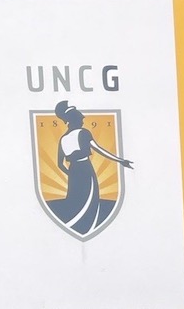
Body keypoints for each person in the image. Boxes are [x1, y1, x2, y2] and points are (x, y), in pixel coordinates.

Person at [49, 101, 133, 237]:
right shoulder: (83, 133)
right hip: (85, 169)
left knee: (76, 200)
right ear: (74, 119)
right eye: (81, 118)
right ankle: (87, 226)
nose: (83, 120)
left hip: (73, 172)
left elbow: (60, 164)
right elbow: (99, 150)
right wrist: (121, 161)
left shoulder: (63, 139)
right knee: (89, 200)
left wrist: (70, 175)